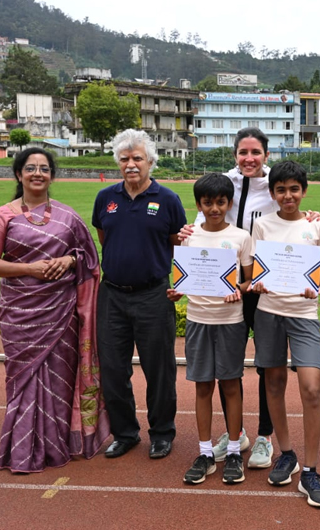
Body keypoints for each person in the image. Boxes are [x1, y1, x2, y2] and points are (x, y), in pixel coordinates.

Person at [183, 127, 320, 468]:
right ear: (234, 155)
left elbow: (292, 215)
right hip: (224, 288)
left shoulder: (273, 186)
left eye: (255, 152)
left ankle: (264, 436)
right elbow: (204, 224)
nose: (249, 158)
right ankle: (237, 434)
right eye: (243, 152)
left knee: (265, 367)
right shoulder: (224, 183)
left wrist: (315, 216)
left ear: (266, 155)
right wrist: (187, 230)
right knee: (231, 368)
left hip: (264, 287)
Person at [0, 147, 109, 473]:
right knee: (23, 379)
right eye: (30, 168)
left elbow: (90, 257)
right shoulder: (3, 215)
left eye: (44, 168)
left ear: (51, 175)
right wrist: (31, 270)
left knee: (59, 380)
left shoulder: (68, 217)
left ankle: (56, 446)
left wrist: (69, 259)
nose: (37, 173)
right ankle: (22, 450)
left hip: (61, 312)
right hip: (21, 314)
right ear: (18, 174)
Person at [92, 129, 186, 460]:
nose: (131, 164)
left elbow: (179, 241)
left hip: (154, 295)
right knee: (114, 369)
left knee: (159, 368)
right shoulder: (106, 198)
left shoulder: (169, 200)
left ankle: (162, 432)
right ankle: (125, 433)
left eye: (138, 158)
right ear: (117, 162)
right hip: (113, 295)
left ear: (150, 162)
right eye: (124, 158)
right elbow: (105, 237)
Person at [250, 161, 320, 508]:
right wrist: (258, 282)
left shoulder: (317, 226)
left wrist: (315, 287)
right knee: (273, 384)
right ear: (272, 193)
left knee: (312, 388)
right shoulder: (261, 225)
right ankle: (287, 454)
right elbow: (256, 272)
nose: (288, 195)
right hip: (269, 313)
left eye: (294, 189)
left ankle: (311, 470)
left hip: (303, 315)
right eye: (281, 189)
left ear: (304, 191)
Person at [168, 173, 254, 485]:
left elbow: (250, 279)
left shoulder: (241, 237)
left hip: (230, 321)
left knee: (230, 385)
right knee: (202, 386)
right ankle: (205, 452)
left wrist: (239, 290)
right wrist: (178, 290)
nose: (214, 208)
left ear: (229, 203)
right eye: (208, 202)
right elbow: (182, 278)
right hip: (197, 320)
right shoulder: (189, 236)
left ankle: (233, 450)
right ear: (199, 204)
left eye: (221, 202)